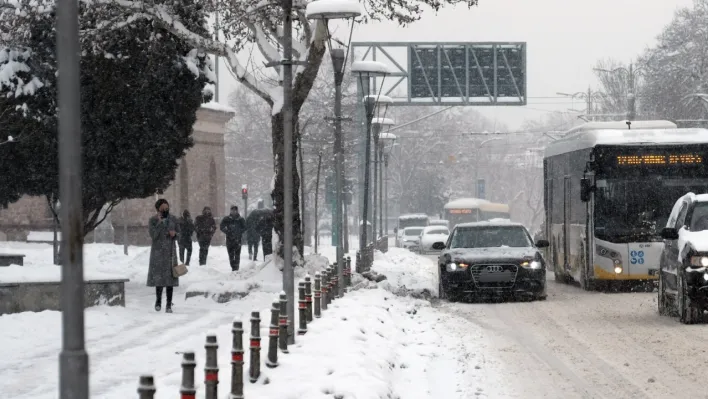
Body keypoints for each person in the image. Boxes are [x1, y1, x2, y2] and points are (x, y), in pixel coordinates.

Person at [147, 199, 179, 313]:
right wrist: (160, 223)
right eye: (163, 208)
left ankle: (169, 305)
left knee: (170, 279)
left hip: (170, 252)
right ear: (158, 209)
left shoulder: (173, 219)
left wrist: (175, 234)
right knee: (159, 279)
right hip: (158, 253)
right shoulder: (153, 220)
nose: (165, 210)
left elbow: (179, 234)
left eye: (167, 207)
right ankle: (158, 301)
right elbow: (153, 235)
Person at [220, 206, 247, 270]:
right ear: (230, 211)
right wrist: (227, 231)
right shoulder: (226, 219)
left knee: (237, 255)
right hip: (229, 240)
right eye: (232, 210)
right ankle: (233, 267)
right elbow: (221, 226)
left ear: (237, 211)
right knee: (231, 256)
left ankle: (236, 268)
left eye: (235, 210)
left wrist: (239, 232)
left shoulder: (240, 219)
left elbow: (245, 227)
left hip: (238, 240)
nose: (234, 211)